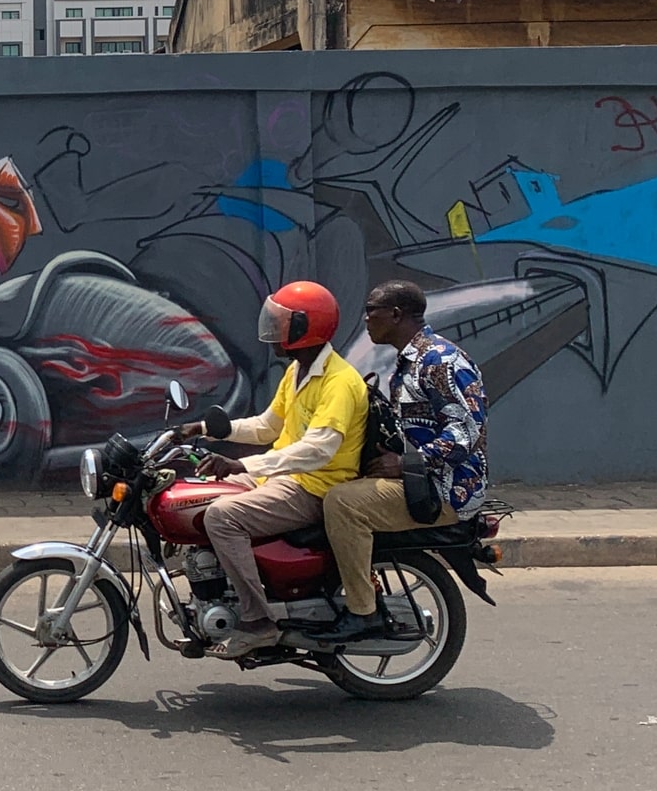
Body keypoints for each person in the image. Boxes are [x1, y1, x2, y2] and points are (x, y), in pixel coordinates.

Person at [180, 281, 367, 659]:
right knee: (191, 497)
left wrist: (243, 463)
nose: (273, 331)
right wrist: (208, 429)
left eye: (282, 322)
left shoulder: (339, 382)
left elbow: (319, 449)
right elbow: (268, 426)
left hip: (314, 487)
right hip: (283, 477)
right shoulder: (299, 372)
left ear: (305, 328)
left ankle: (257, 621)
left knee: (222, 517)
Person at [311, 280, 488, 645]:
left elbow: (469, 431)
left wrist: (411, 463)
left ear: (395, 314)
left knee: (344, 504)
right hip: (420, 479)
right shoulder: (409, 361)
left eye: (371, 310)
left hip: (446, 489)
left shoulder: (439, 360)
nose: (365, 318)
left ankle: (363, 612)